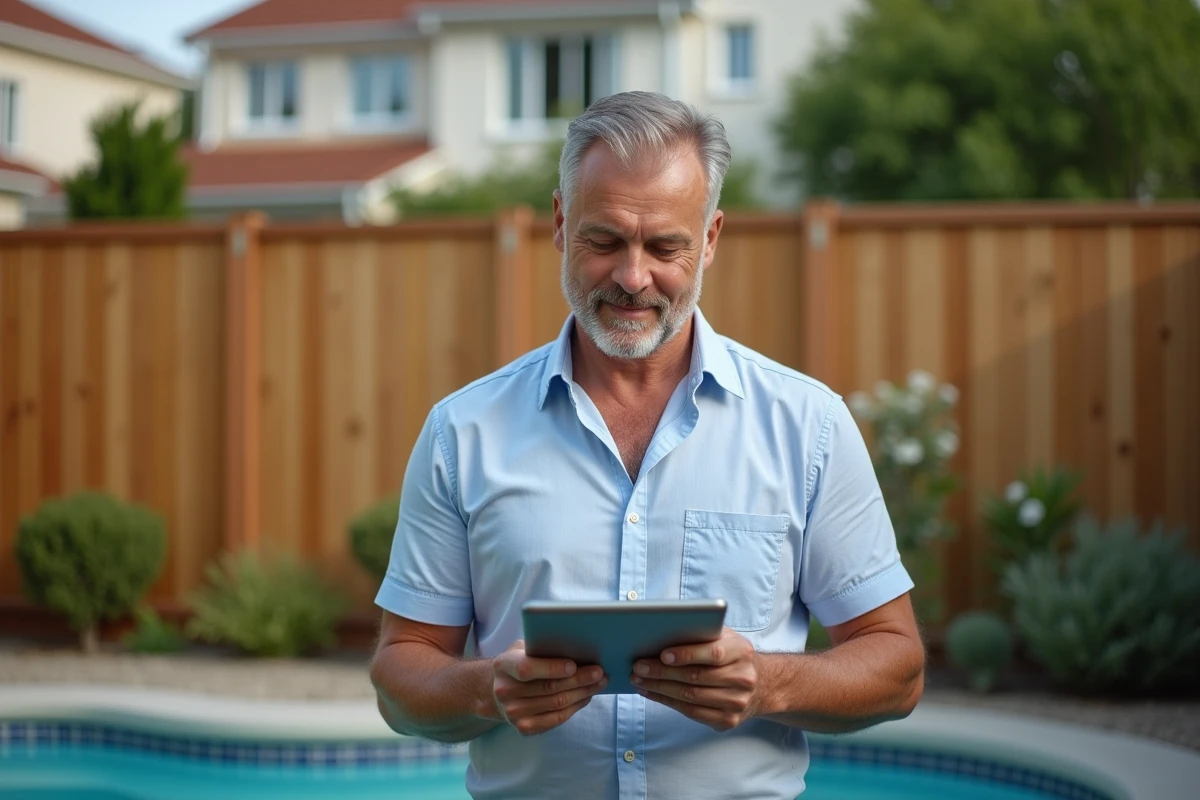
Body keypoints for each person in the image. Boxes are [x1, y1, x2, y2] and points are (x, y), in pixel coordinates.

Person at [369, 91, 924, 800]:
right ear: (561, 224)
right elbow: (401, 675)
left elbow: (897, 667)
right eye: (604, 241)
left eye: (665, 246)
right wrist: (486, 690)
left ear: (711, 239)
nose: (633, 278)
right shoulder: (463, 432)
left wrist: (768, 683)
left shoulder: (807, 425)